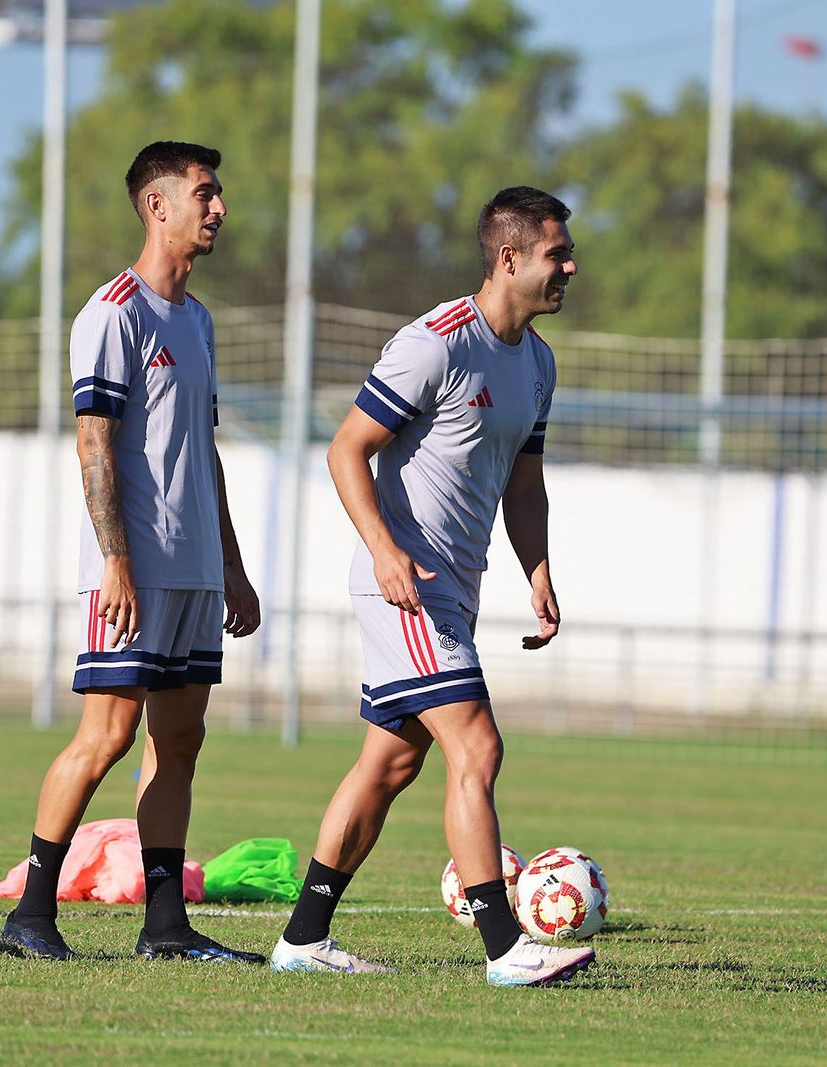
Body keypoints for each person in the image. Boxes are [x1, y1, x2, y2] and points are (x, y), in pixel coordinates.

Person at [268, 186, 595, 987]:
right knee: (478, 745)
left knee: (389, 764)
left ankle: (302, 940)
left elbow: (525, 484)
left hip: (458, 588)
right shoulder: (436, 342)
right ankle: (505, 948)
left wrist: (540, 572)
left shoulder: (539, 364)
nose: (571, 266)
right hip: (404, 584)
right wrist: (383, 553)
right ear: (509, 258)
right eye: (558, 252)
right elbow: (347, 448)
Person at [0, 141, 264, 964]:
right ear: (158, 206)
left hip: (192, 573)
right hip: (134, 571)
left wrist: (232, 562)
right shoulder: (114, 312)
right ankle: (31, 914)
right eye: (205, 194)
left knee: (179, 741)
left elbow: (203, 450)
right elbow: (95, 443)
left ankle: (164, 926)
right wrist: (114, 559)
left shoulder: (197, 319)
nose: (218, 209)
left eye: (218, 195)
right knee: (106, 736)